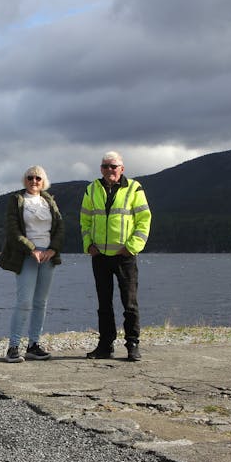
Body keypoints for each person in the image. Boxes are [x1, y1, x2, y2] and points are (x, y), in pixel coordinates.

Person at [80, 151, 152, 361]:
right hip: (100, 255)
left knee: (129, 303)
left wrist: (132, 247)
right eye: (105, 166)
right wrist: (88, 245)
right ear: (100, 169)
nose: (109, 170)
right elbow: (84, 220)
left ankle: (132, 345)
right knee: (104, 303)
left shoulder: (134, 188)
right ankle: (105, 345)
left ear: (122, 168)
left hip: (124, 256)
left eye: (113, 166)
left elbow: (144, 220)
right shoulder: (91, 189)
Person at [0, 165, 64, 363]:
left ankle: (33, 345)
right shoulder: (17, 200)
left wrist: (52, 250)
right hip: (26, 257)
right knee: (24, 301)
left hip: (48, 258)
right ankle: (13, 347)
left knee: (40, 303)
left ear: (44, 181)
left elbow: (60, 227)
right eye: (30, 178)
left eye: (38, 178)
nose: (34, 181)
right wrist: (31, 249)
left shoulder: (49, 200)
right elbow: (13, 230)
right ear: (24, 180)